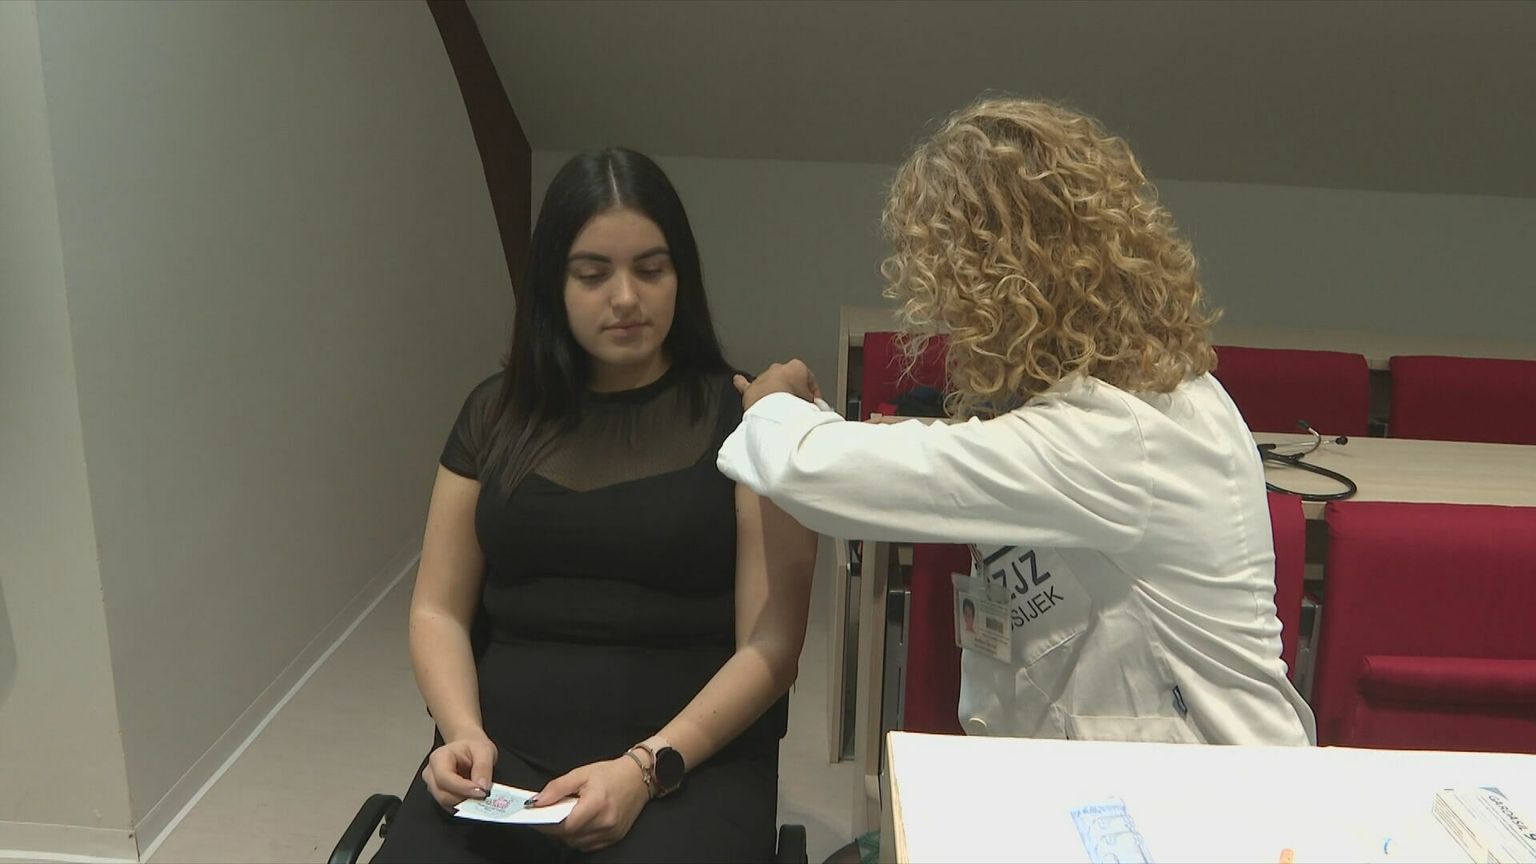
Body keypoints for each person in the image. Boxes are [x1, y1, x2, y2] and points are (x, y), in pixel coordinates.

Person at [721, 98, 1315, 747]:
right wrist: (817, 421)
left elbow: (818, 474)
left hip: (1215, 788)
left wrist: (770, 405)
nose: (944, 311)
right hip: (1109, 767)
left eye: (951, 277)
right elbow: (949, 464)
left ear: (1007, 280)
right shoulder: (1099, 403)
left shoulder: (1124, 435)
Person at [374, 148, 817, 864]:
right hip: (501, 755)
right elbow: (437, 610)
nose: (626, 298)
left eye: (651, 269)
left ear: (681, 276)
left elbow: (772, 648)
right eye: (593, 274)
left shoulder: (750, 419)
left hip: (684, 759)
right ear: (553, 283)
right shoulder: (494, 414)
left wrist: (645, 769)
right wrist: (461, 732)